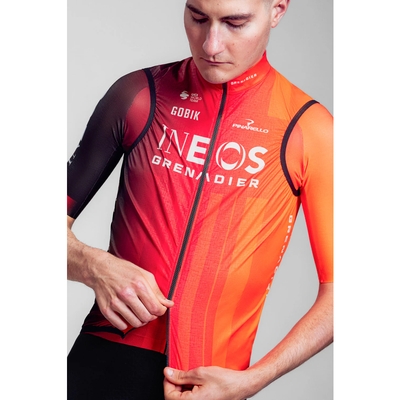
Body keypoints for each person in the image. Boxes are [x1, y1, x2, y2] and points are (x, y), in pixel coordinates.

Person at [67, 0, 333, 399]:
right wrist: (92, 266)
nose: (210, 44)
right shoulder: (139, 95)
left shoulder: (309, 129)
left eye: (234, 23)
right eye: (197, 18)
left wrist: (254, 380)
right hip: (100, 368)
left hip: (210, 386)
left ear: (278, 10)